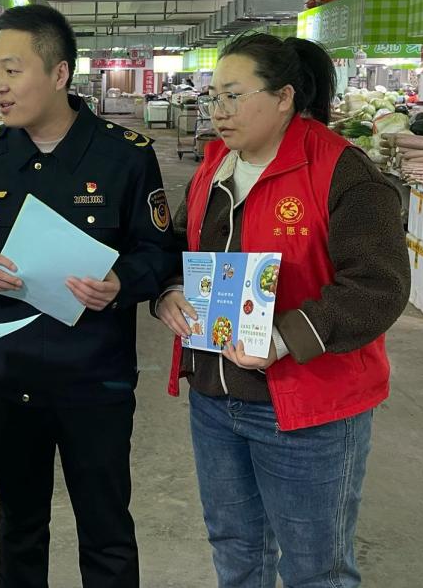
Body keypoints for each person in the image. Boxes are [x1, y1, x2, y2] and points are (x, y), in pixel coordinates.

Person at [155, 33, 410, 588]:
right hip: (215, 399)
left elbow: (379, 286)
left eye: (233, 96)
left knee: (315, 568)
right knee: (235, 551)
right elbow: (178, 244)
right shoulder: (214, 167)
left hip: (307, 408)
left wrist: (282, 338)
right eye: (213, 98)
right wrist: (168, 290)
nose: (218, 112)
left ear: (284, 97)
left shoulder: (342, 172)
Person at [0, 5, 178, 588]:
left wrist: (122, 283)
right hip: (9, 376)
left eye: (12, 70)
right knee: (19, 525)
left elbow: (159, 252)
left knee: (106, 528)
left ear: (59, 73)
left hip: (95, 380)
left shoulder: (125, 156)